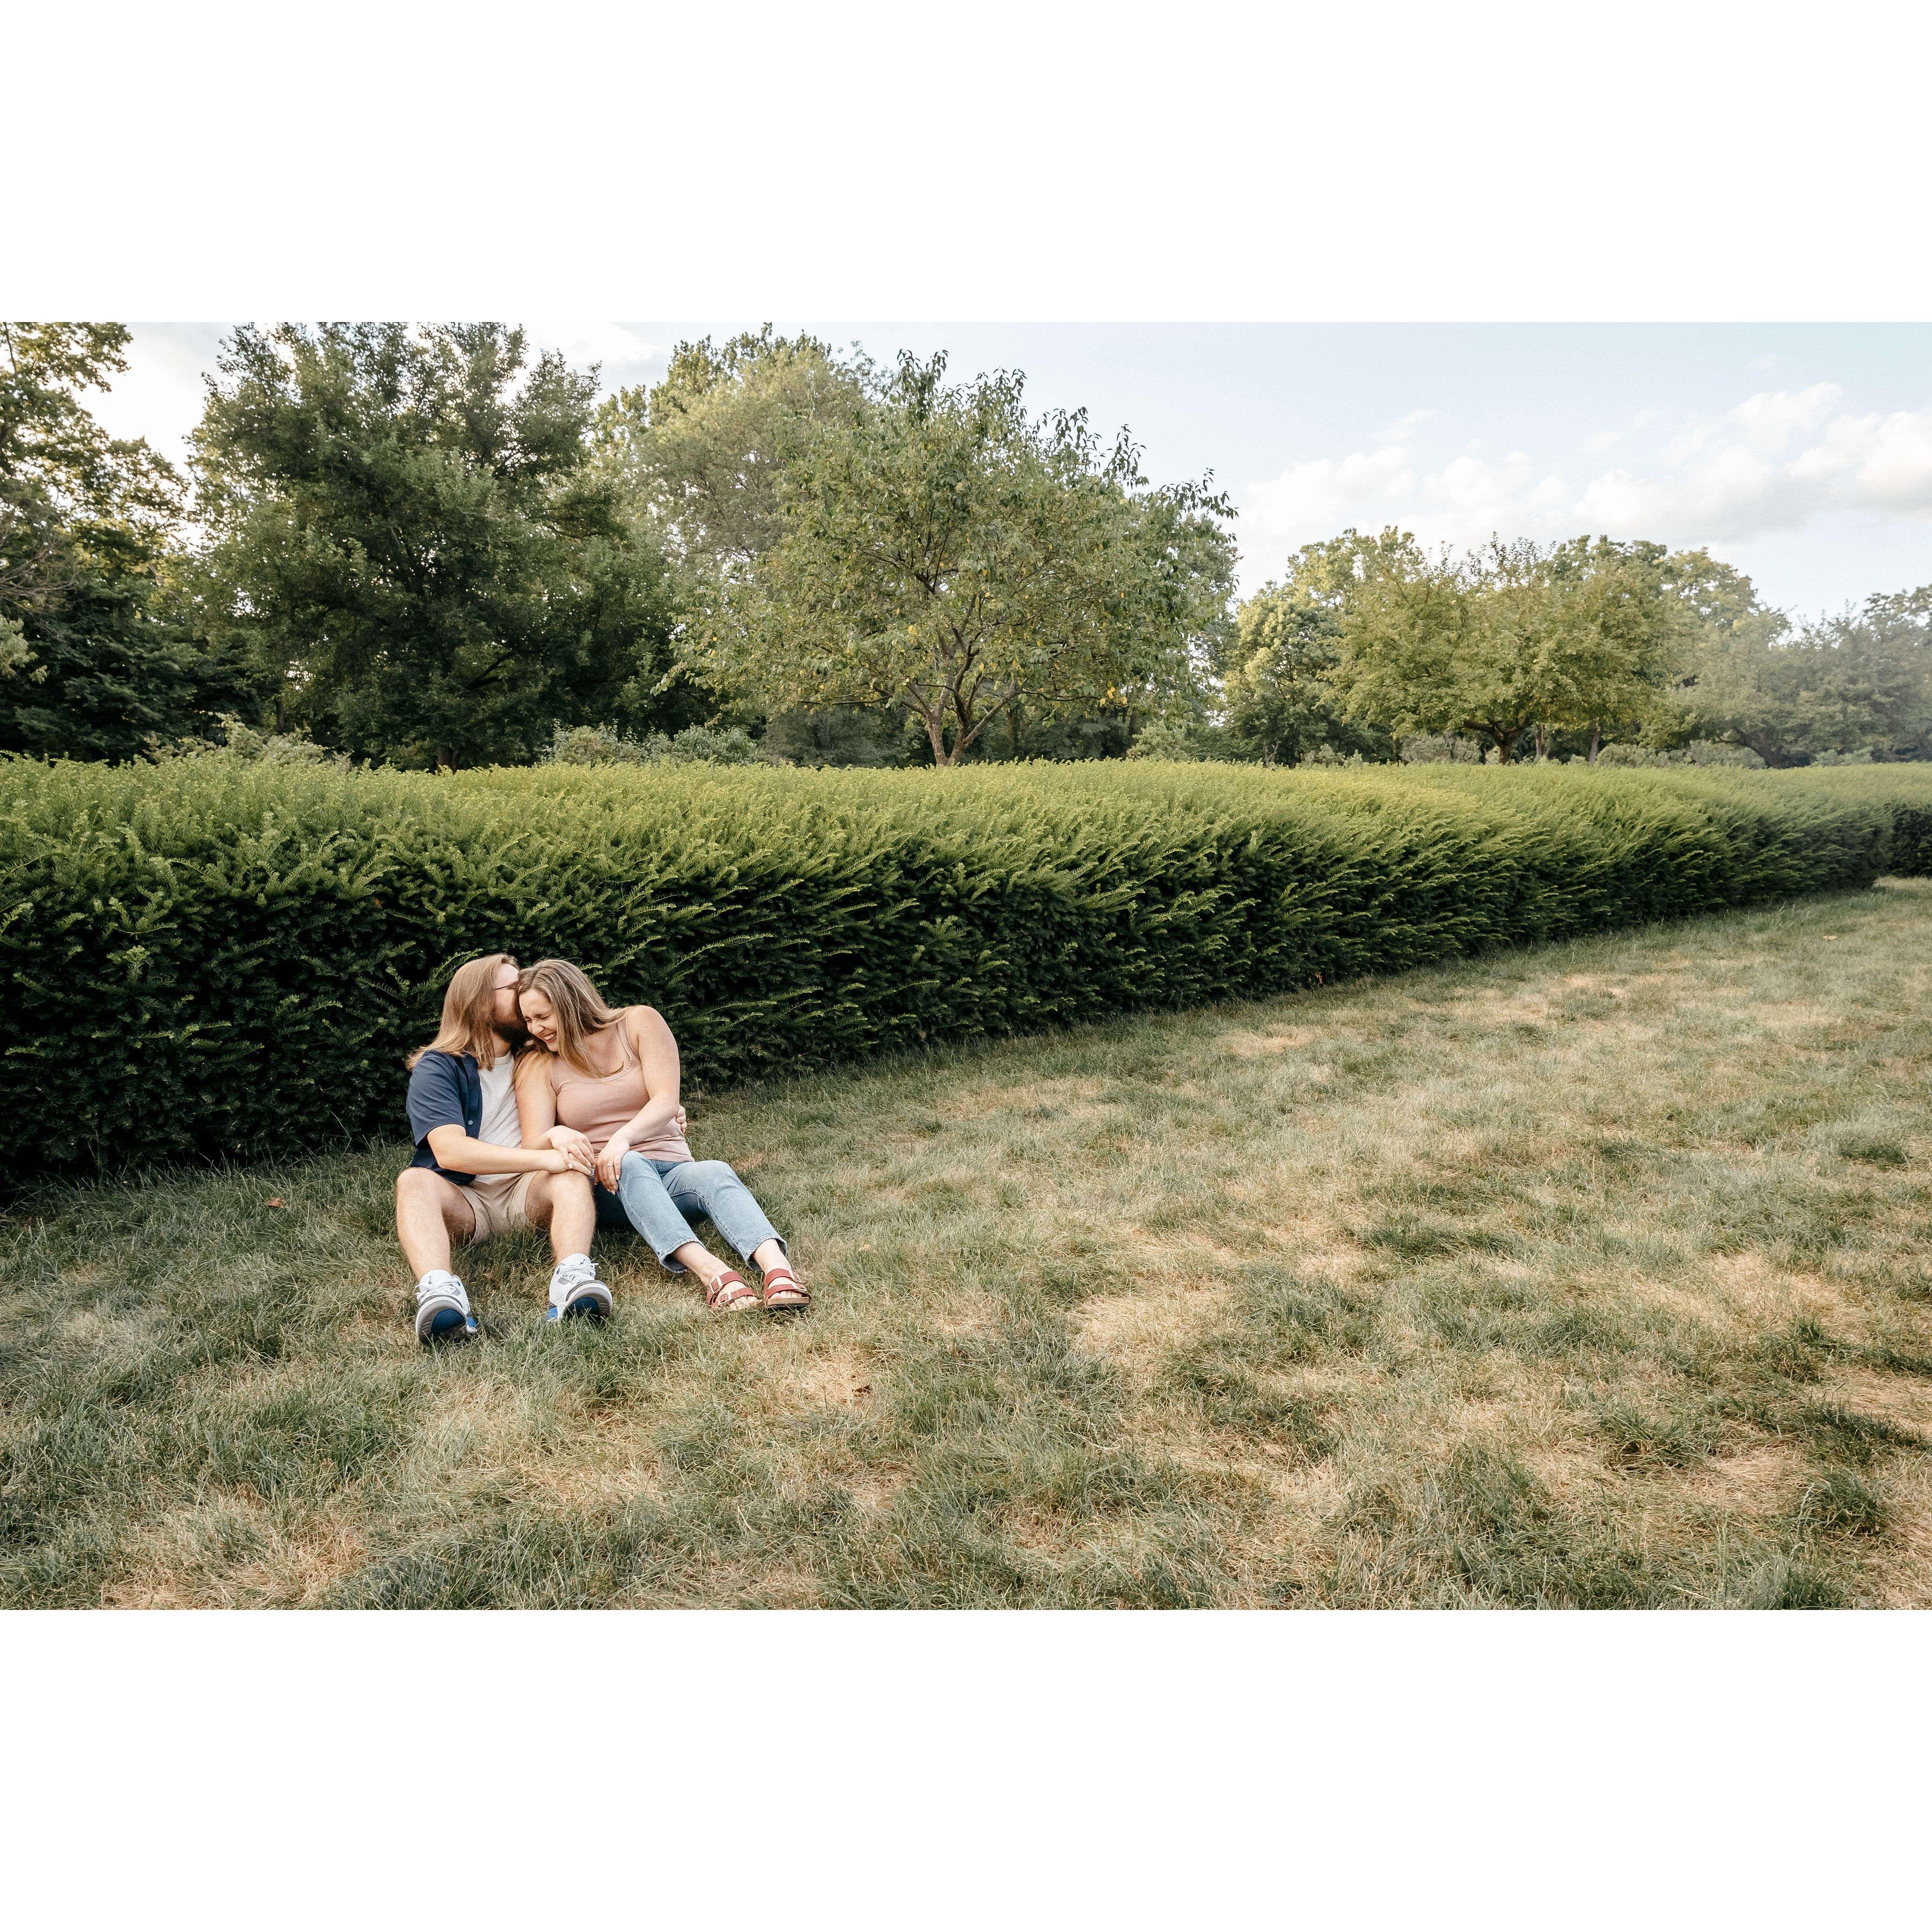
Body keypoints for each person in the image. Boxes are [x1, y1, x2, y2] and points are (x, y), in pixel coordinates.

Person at [514, 958, 808, 1313]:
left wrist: (622, 1137)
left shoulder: (638, 1023)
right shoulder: (540, 1064)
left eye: (543, 1016)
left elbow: (667, 1100)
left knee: (714, 1171)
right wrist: (558, 1132)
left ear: (570, 1002)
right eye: (528, 1020)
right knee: (631, 1163)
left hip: (672, 1169)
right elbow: (533, 1142)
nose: (536, 1029)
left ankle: (778, 1270)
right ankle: (714, 1273)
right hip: (610, 1184)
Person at [396, 953, 613, 1342]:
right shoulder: (438, 1066)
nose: (527, 990)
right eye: (514, 987)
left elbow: (613, 1085)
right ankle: (440, 1294)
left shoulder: (542, 1051)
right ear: (480, 1002)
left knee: (569, 1174)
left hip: (528, 1192)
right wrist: (545, 1155)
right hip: (465, 1198)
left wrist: (662, 1110)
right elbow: (451, 1152)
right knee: (413, 1181)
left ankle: (573, 1280)